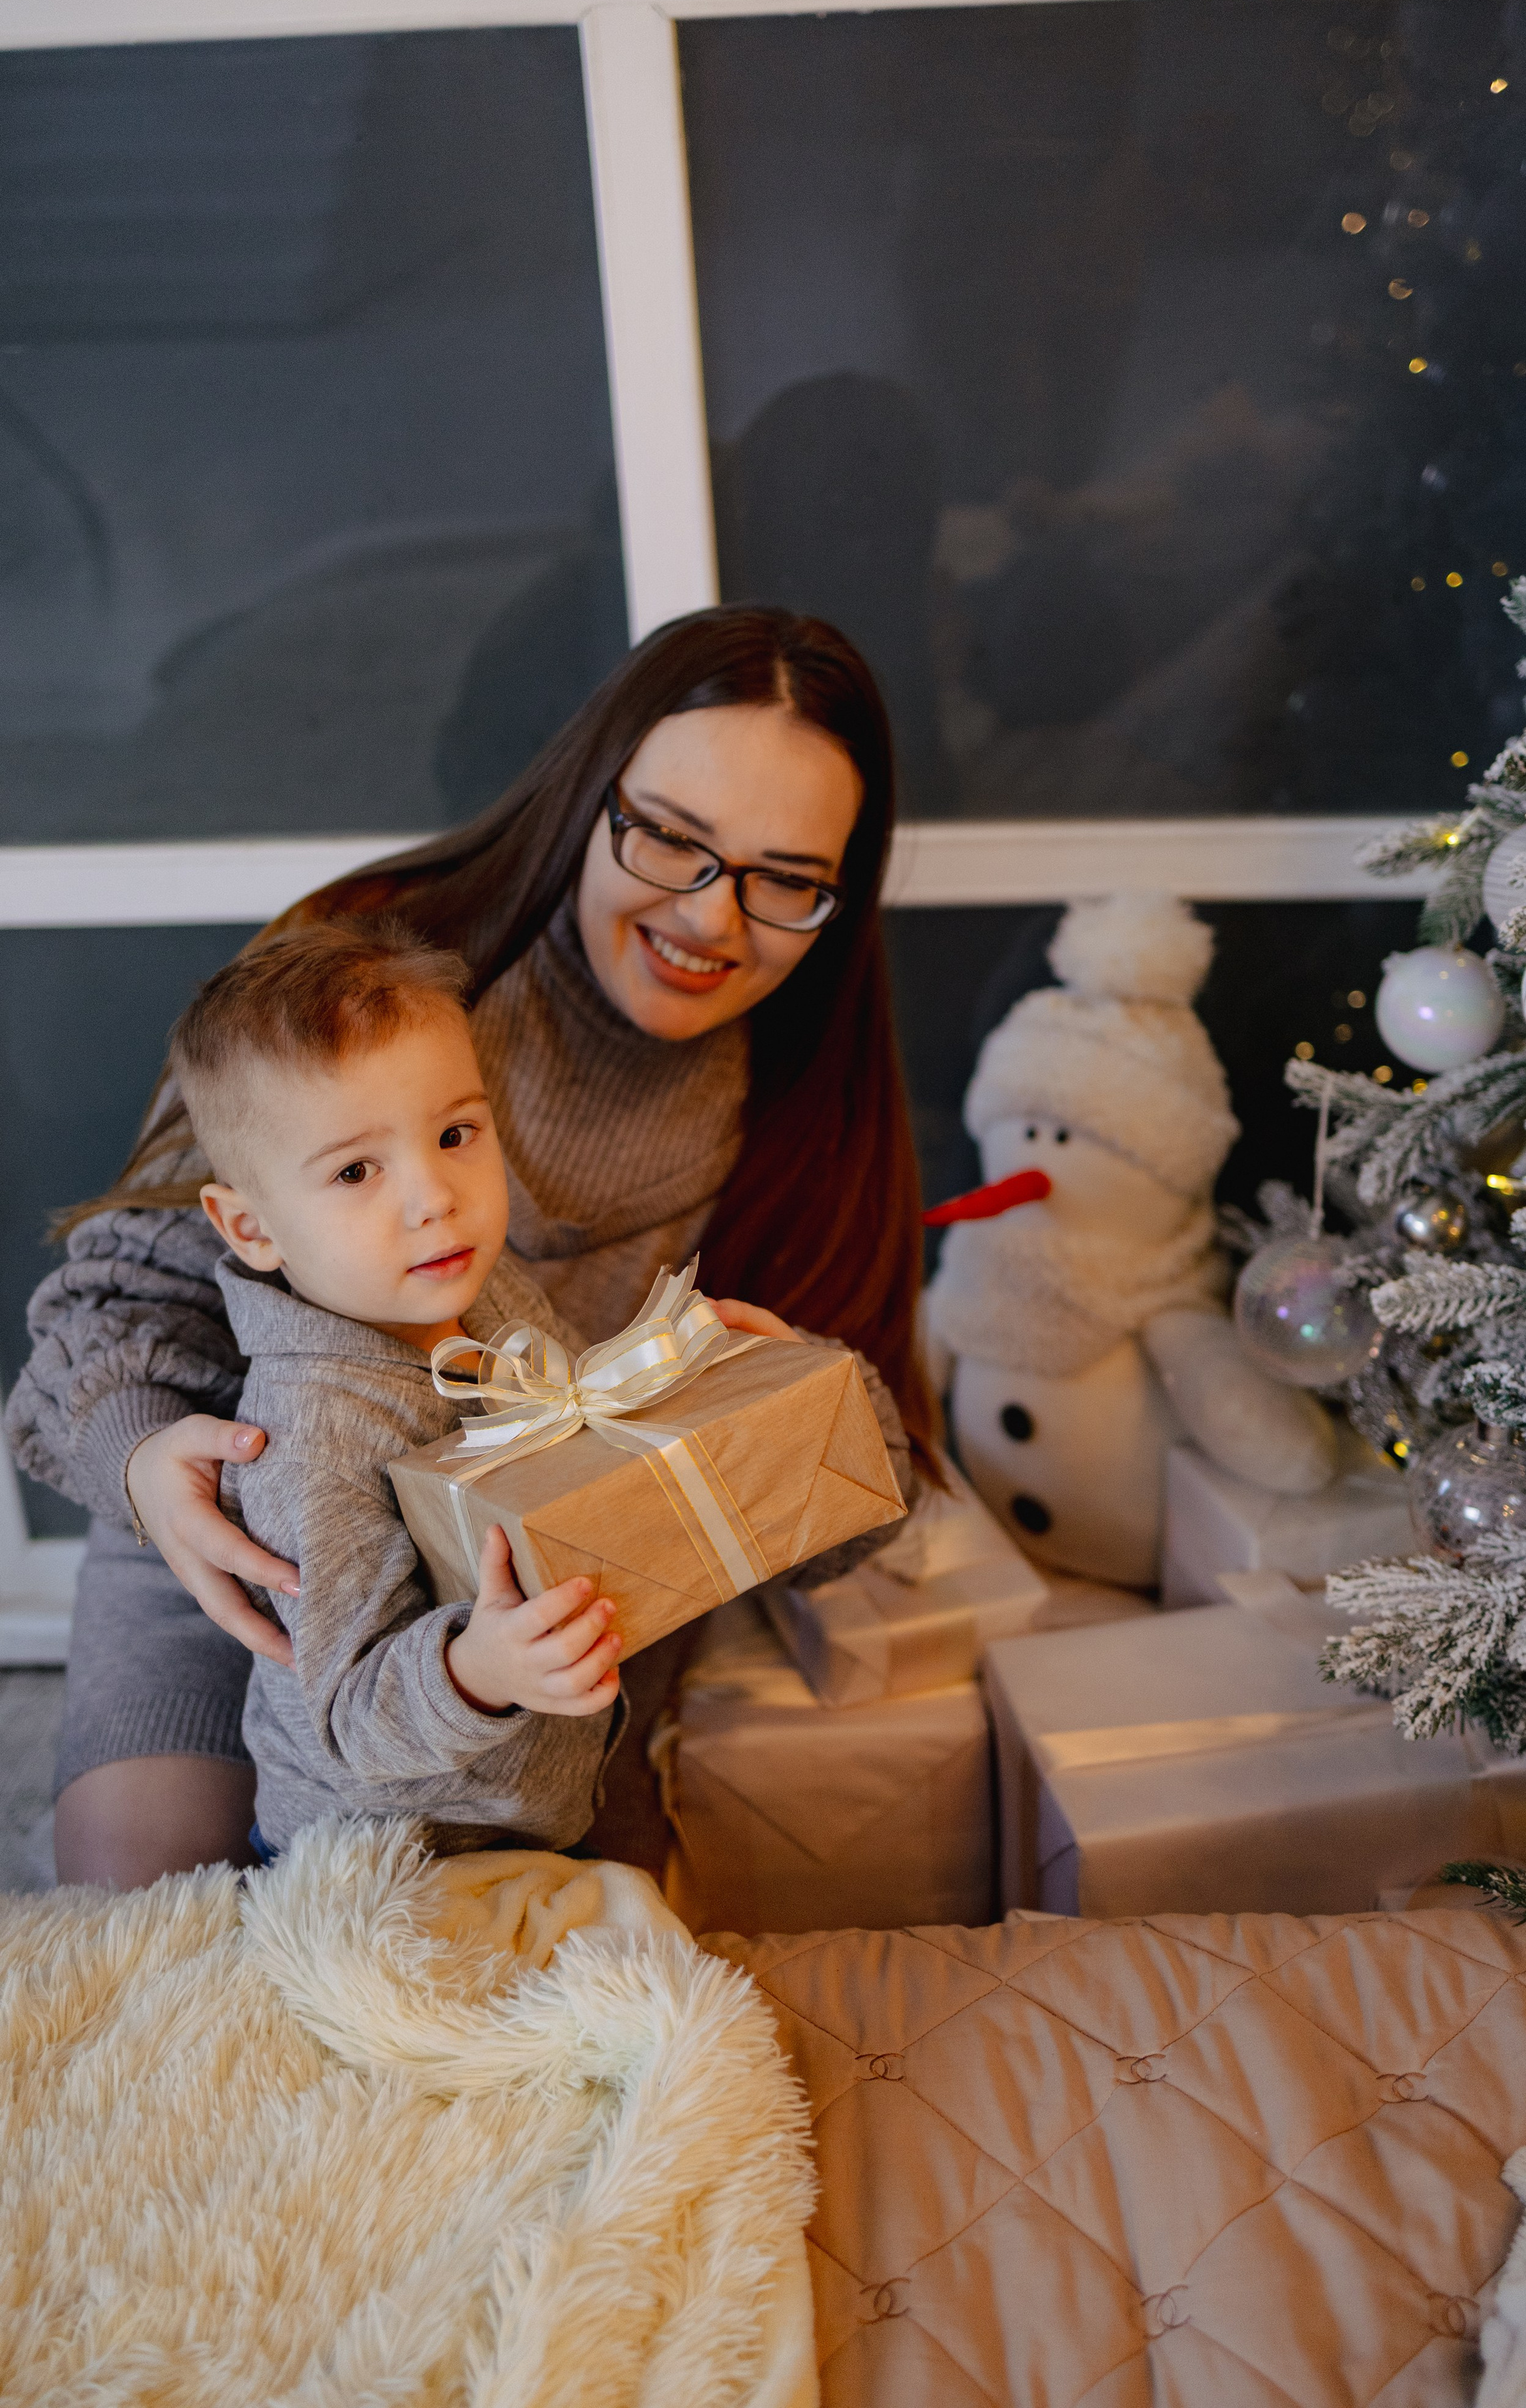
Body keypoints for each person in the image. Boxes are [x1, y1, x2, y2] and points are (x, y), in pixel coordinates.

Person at [7, 605, 929, 1887]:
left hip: (528, 1625)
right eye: (670, 839)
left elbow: (856, 1516)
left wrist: (794, 1419)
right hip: (251, 1528)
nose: (712, 919)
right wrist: (144, 1458)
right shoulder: (367, 963)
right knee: (136, 1897)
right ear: (589, 795)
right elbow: (121, 1290)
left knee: (566, 1977)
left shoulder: (809, 1115)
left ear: (840, 891)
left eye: (784, 880)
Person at [172, 921, 634, 1858]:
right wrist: (477, 1670)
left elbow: (583, 1423)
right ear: (252, 1228)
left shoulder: (487, 1290)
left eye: (456, 1134)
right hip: (383, 1861)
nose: (435, 1196)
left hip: (534, 1804)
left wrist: (681, 1376)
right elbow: (349, 1715)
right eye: (355, 1171)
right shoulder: (314, 1433)